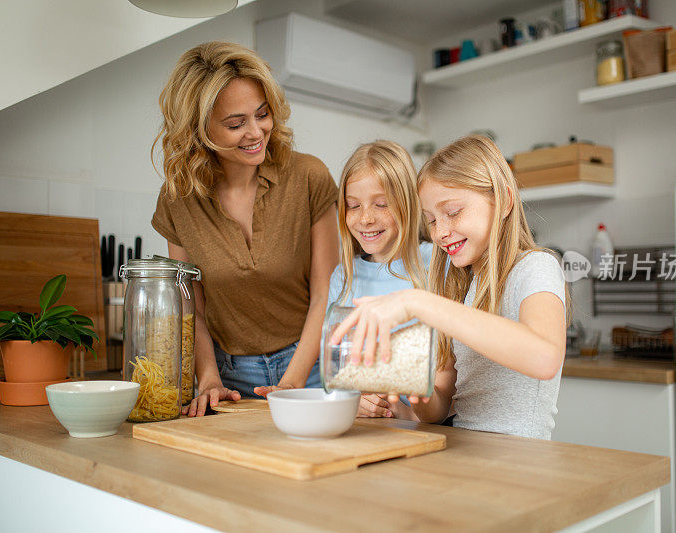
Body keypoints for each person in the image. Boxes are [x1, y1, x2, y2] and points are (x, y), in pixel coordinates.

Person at [330, 135, 569, 439]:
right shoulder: (461, 284)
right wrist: (421, 391)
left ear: (504, 201)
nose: (440, 232)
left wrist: (417, 302)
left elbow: (545, 357)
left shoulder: (535, 266)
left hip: (519, 461)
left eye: (453, 212)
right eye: (430, 220)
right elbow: (439, 410)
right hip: (463, 451)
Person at [151, 42, 339, 416]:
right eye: (236, 124)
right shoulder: (178, 199)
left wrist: (292, 384)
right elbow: (193, 309)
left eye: (262, 114)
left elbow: (326, 295)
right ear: (198, 130)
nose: (256, 132)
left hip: (314, 368)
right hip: (229, 379)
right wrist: (207, 380)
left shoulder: (308, 177)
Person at [327, 140, 432, 420]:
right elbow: (337, 368)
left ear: (408, 203)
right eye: (353, 205)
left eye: (381, 204)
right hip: (364, 428)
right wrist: (355, 400)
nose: (365, 218)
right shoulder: (344, 276)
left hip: (427, 425)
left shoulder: (437, 264)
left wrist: (406, 411)